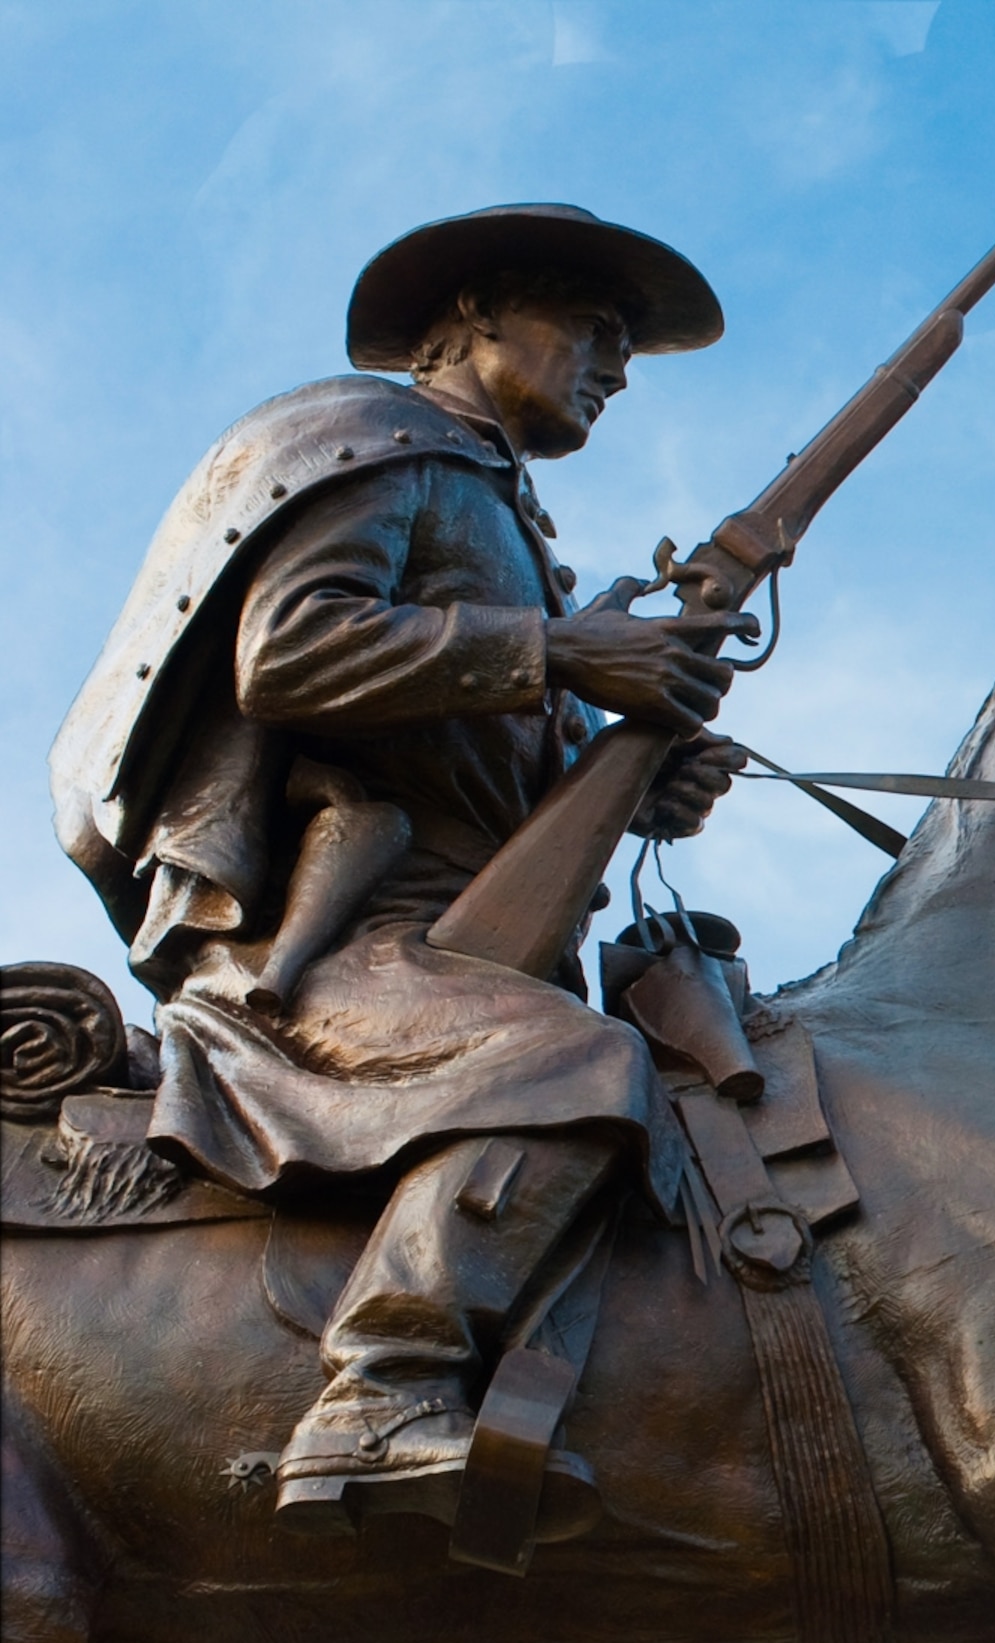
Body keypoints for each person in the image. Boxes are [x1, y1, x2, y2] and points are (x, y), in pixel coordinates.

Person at [50, 205, 751, 1538]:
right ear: (479, 315)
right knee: (575, 1066)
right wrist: (559, 656)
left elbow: (498, 782)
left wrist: (645, 777)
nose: (615, 366)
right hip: (331, 942)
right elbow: (292, 656)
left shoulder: (503, 522)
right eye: (594, 330)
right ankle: (385, 1389)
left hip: (463, 938)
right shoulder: (385, 448)